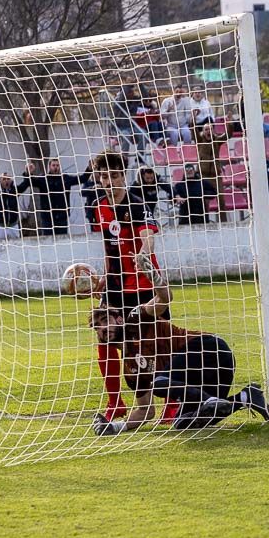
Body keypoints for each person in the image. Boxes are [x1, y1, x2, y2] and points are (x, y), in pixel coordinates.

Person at [90, 295, 267, 435]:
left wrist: (155, 278)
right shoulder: (130, 371)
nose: (102, 329)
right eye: (97, 327)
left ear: (119, 319)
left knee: (159, 383)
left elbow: (164, 298)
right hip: (203, 374)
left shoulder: (137, 318)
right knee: (183, 422)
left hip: (211, 349)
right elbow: (146, 411)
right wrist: (115, 426)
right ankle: (246, 397)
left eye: (106, 320)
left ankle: (209, 400)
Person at [89, 150, 162, 429]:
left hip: (145, 285)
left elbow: (148, 236)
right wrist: (104, 278)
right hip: (116, 286)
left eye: (115, 175)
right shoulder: (100, 207)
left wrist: (144, 254)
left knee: (153, 348)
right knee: (104, 339)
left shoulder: (137, 203)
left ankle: (171, 403)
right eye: (104, 176)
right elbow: (109, 247)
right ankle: (115, 402)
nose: (110, 181)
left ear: (123, 175)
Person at [25, 158, 81, 236]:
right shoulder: (44, 179)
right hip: (47, 218)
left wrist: (89, 169)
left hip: (62, 218)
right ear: (49, 166)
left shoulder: (65, 179)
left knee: (62, 241)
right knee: (48, 241)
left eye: (57, 165)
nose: (55, 167)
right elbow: (30, 182)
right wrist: (28, 173)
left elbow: (82, 179)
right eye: (53, 165)